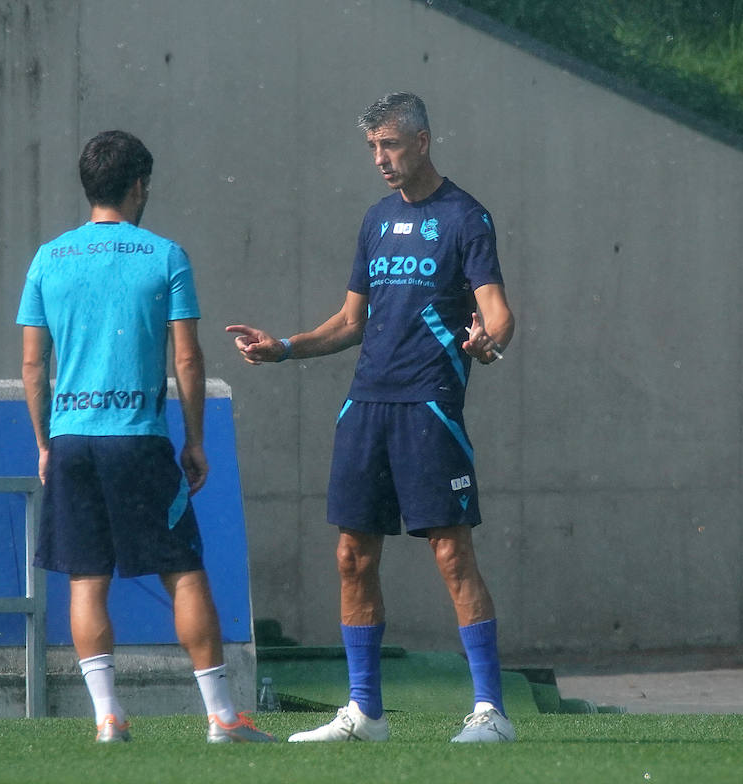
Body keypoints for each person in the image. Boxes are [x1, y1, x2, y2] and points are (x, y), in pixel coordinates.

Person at [226, 93, 516, 743]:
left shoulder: (466, 218)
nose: (379, 160)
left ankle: (491, 711)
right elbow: (351, 321)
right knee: (352, 556)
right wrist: (285, 347)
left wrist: (488, 341)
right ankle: (365, 714)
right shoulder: (376, 221)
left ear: (422, 142)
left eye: (388, 145)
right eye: (371, 149)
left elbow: (497, 311)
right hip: (367, 408)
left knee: (450, 553)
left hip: (430, 407)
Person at [18, 130, 274, 744]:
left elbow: (32, 366)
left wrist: (46, 443)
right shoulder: (165, 256)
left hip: (73, 438)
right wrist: (194, 439)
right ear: (139, 186)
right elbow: (187, 360)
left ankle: (108, 716)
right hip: (136, 437)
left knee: (86, 578)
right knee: (182, 571)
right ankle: (221, 716)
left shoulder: (48, 258)